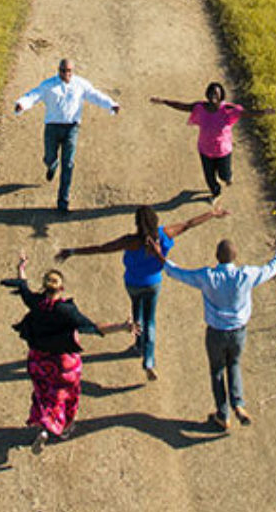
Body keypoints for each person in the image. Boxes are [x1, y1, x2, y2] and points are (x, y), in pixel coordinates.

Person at [56, 204, 229, 381]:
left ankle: (138, 345)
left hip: (133, 283)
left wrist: (72, 251)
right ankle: (149, 361)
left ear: (138, 223)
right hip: (153, 283)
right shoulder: (163, 235)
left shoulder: (131, 241)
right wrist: (212, 214)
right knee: (150, 321)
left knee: (137, 315)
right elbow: (188, 224)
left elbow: (102, 248)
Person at [3, 253, 132, 453]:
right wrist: (122, 327)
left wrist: (21, 266)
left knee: (44, 395)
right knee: (66, 395)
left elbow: (23, 287)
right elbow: (94, 327)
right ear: (61, 289)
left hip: (38, 360)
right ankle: (59, 426)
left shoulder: (36, 303)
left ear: (44, 287)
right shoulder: (67, 312)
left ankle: (45, 426)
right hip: (64, 364)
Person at [162, 231, 276, 431]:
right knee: (234, 364)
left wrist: (160, 257)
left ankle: (223, 414)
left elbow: (179, 273)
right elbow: (271, 269)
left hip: (216, 332)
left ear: (216, 256)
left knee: (217, 371)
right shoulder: (246, 275)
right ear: (235, 257)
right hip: (238, 332)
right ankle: (238, 404)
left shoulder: (207, 276)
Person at [14, 58, 119, 212]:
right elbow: (34, 95)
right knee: (50, 156)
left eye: (69, 71)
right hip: (52, 127)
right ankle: (52, 164)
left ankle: (63, 201)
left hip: (72, 128)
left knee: (68, 164)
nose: (66, 74)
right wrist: (22, 104)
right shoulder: (49, 85)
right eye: (63, 71)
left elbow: (95, 95)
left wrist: (111, 104)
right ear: (59, 70)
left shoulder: (80, 85)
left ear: (72, 71)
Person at [149, 82, 273, 199]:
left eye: (216, 93)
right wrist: (164, 101)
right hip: (205, 150)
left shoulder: (229, 110)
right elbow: (182, 106)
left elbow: (247, 113)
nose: (213, 95)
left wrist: (263, 112)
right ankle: (216, 191)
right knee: (209, 177)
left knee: (224, 175)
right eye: (211, 93)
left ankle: (228, 177)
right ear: (207, 94)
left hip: (222, 151)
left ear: (221, 96)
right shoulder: (200, 107)